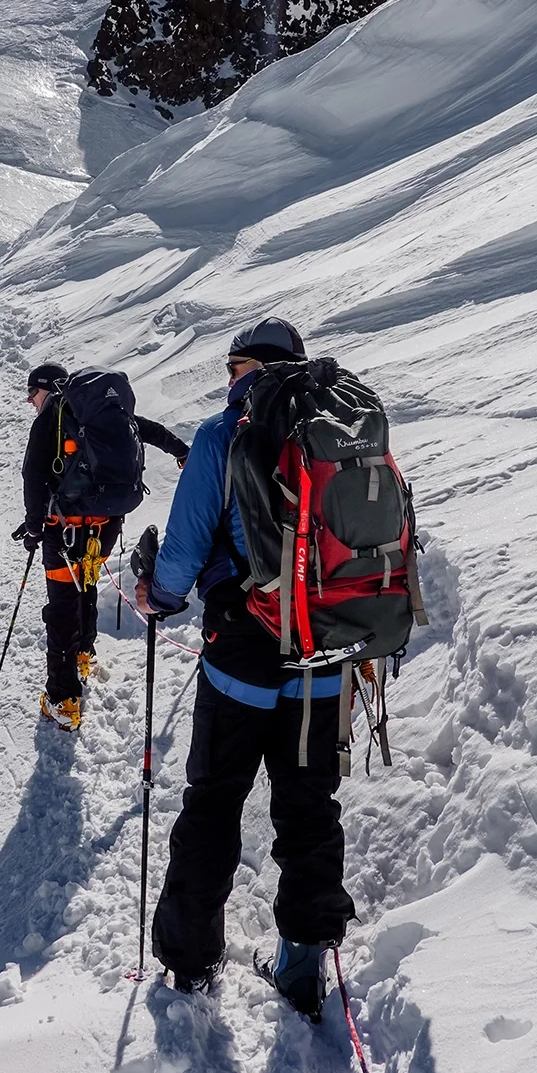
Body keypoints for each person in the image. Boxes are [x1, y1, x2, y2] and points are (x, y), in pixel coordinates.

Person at [132, 318, 356, 1016]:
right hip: (324, 657)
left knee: (214, 803)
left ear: (248, 369)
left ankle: (192, 963)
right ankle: (301, 966)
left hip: (242, 657)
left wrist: (156, 596)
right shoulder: (341, 428)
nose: (230, 379)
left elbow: (183, 552)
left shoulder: (221, 433)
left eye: (234, 367)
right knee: (309, 806)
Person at [15, 363, 188, 732]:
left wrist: (34, 527)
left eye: (33, 393)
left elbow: (32, 475)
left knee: (61, 607)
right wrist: (182, 451)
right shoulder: (100, 414)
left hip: (64, 532)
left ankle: (63, 701)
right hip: (105, 527)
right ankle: (83, 655)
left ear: (48, 389)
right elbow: (149, 430)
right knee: (87, 583)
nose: (31, 401)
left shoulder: (52, 419)